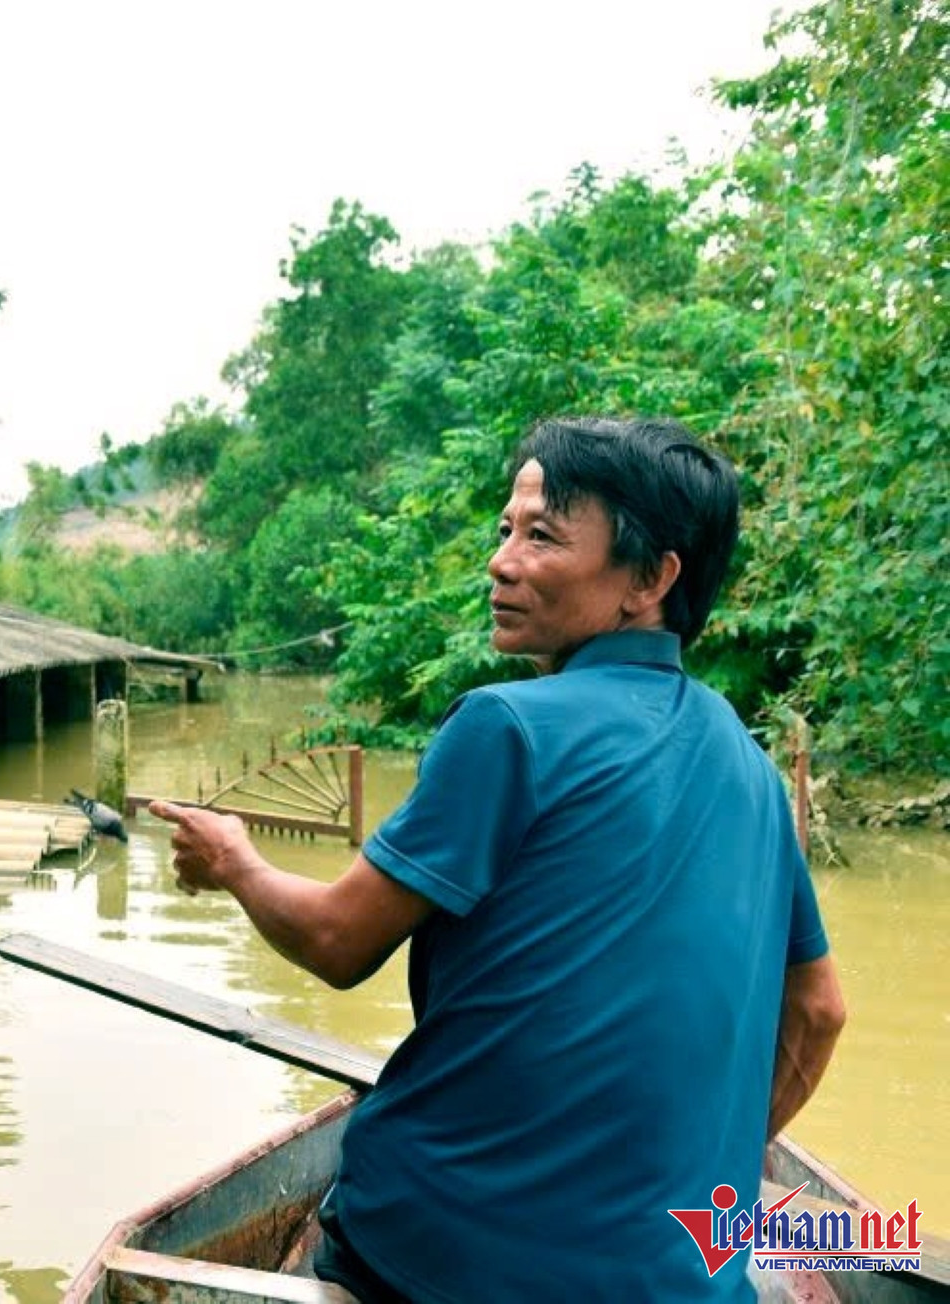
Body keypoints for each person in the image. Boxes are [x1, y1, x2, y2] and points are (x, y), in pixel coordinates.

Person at [151, 416, 844, 1302]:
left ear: (650, 578)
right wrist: (705, 1186)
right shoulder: (750, 766)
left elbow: (335, 944)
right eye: (506, 531)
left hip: (448, 1256)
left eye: (544, 535)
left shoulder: (508, 727)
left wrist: (236, 863)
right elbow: (819, 1012)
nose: (503, 561)